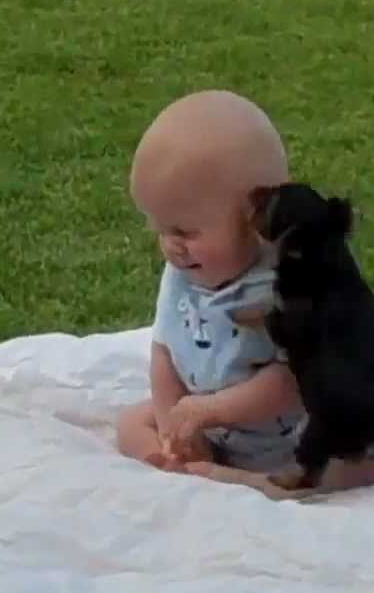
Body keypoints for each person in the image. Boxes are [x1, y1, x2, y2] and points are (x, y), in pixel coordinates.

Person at [115, 89, 306, 474]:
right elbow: (164, 354)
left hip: (288, 440)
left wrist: (210, 410)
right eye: (160, 229)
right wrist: (175, 427)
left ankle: (240, 480)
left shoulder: (289, 285)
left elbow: (292, 382)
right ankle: (179, 462)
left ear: (258, 218)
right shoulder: (185, 274)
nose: (171, 246)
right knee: (131, 424)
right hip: (207, 425)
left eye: (184, 231)